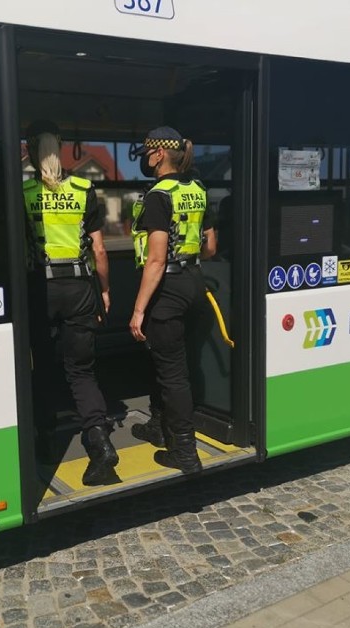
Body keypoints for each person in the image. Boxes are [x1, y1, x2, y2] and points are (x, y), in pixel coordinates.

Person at [23, 119, 118, 485]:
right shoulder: (83, 188)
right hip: (80, 288)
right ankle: (100, 442)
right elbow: (99, 250)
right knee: (81, 370)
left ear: (32, 150)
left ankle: (46, 441)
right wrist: (105, 291)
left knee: (43, 367)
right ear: (61, 149)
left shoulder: (26, 192)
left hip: (41, 290)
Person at [128, 126, 215, 474]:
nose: (146, 158)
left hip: (168, 289)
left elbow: (156, 259)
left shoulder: (157, 196)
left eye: (148, 152)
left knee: (173, 375)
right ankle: (159, 427)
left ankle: (184, 452)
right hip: (194, 282)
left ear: (159, 154)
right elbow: (210, 248)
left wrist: (138, 310)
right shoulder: (198, 189)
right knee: (172, 365)